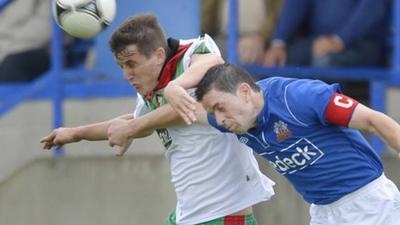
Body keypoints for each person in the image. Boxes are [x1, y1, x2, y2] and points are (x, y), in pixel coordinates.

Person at [41, 14, 276, 225]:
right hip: (188, 215)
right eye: (121, 66)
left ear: (159, 55)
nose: (126, 74)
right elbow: (135, 123)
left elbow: (192, 100)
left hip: (225, 214)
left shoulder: (192, 57)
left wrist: (170, 91)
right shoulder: (150, 90)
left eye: (131, 64)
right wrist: (76, 133)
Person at [163, 63, 400, 225]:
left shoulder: (298, 97)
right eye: (213, 112)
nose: (220, 119)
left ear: (245, 92)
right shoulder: (231, 120)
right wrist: (135, 125)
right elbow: (186, 111)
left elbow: (373, 120)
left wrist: (175, 85)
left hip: (369, 204)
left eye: (220, 107)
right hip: (323, 212)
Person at [264, 0, 389, 68]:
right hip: (319, 42)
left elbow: (372, 10)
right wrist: (278, 43)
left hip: (363, 44)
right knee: (274, 63)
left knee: (325, 62)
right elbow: (296, 5)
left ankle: (332, 114)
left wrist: (340, 40)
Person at [201, 0, 282, 65]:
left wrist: (261, 36)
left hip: (262, 40)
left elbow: (279, 13)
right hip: (221, 38)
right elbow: (203, 18)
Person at [0, 0, 51, 82]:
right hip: (7, 46)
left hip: (39, 50)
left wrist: (6, 42)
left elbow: (46, 28)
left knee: (12, 64)